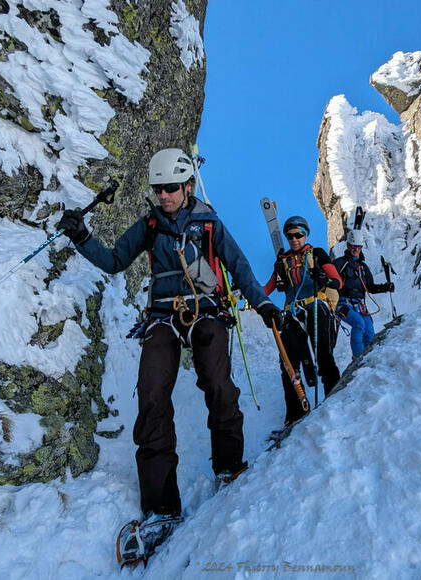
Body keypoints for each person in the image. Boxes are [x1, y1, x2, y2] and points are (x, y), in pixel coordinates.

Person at [57, 148, 281, 559]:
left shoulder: (209, 223)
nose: (164, 196)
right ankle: (162, 505)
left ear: (189, 186)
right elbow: (113, 260)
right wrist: (81, 237)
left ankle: (229, 467)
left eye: (171, 188)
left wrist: (263, 303)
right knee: (152, 396)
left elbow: (239, 267)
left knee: (217, 381)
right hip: (162, 316)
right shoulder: (149, 225)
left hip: (206, 309)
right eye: (159, 189)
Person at [262, 216, 342, 424]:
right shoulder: (283, 261)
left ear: (306, 235)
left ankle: (336, 399)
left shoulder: (316, 254)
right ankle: (296, 412)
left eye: (299, 235)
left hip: (316, 304)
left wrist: (323, 278)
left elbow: (337, 281)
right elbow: (268, 288)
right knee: (288, 363)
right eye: (290, 236)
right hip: (292, 312)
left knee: (323, 352)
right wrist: (247, 292)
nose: (295, 239)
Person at [331, 230, 394, 357]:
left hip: (360, 305)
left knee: (369, 331)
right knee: (358, 323)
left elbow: (370, 287)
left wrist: (386, 287)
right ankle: (358, 359)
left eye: (358, 247)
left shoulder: (363, 268)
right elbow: (330, 283)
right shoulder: (340, 264)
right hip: (343, 304)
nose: (356, 249)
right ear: (348, 245)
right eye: (353, 246)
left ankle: (368, 359)